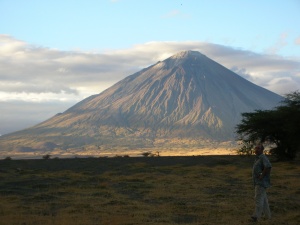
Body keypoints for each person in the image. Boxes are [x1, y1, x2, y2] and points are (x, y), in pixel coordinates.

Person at [251, 144, 272, 222]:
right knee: (264, 199)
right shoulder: (258, 158)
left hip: (261, 182)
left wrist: (262, 176)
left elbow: (268, 166)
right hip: (258, 182)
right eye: (256, 148)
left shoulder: (262, 157)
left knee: (258, 199)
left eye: (258, 148)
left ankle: (256, 216)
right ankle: (268, 216)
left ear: (262, 150)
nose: (256, 149)